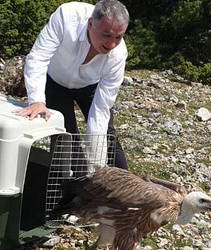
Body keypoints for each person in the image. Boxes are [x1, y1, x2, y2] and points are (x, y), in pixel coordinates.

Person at [16, 0, 129, 170]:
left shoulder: (118, 55)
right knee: (65, 139)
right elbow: (38, 57)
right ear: (90, 23)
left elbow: (100, 110)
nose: (112, 44)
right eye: (106, 35)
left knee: (106, 136)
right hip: (55, 82)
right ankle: (76, 189)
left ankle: (126, 190)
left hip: (91, 85)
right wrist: (37, 100)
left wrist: (96, 166)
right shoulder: (67, 16)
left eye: (118, 37)